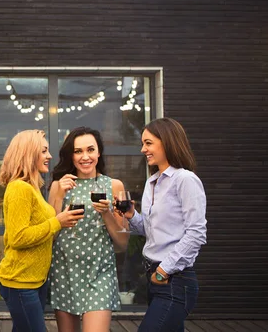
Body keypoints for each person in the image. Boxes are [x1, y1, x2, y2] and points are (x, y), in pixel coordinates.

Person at [120, 117, 207, 332]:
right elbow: (150, 230)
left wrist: (163, 271)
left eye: (148, 143)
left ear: (167, 141)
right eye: (143, 143)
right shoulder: (153, 181)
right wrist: (132, 215)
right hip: (154, 277)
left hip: (175, 280)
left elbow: (196, 233)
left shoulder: (185, 179)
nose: (143, 149)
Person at [0, 130, 84, 332]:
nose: (49, 156)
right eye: (44, 151)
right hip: (20, 282)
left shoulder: (33, 188)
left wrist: (61, 217)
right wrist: (57, 222)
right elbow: (19, 237)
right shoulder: (20, 188)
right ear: (28, 153)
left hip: (35, 280)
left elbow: (42, 230)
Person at [48, 127, 130, 332]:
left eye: (90, 150)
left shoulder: (115, 186)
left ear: (99, 152)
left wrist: (107, 213)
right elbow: (49, 236)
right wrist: (58, 196)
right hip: (64, 271)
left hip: (99, 273)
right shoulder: (58, 186)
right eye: (78, 151)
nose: (85, 157)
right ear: (71, 155)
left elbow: (122, 243)